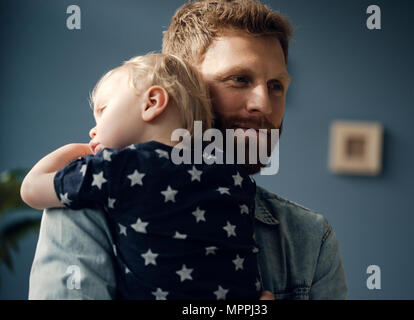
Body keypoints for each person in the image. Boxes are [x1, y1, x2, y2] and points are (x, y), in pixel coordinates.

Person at [29, 0, 347, 300]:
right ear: (180, 84)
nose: (264, 104)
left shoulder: (311, 237)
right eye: (238, 79)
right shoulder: (85, 209)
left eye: (276, 86)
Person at [21, 52, 263, 300]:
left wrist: (78, 150)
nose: (93, 130)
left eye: (102, 111)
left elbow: (30, 189)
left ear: (152, 102)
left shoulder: (118, 167)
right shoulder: (235, 175)